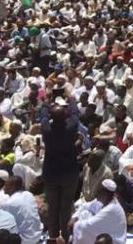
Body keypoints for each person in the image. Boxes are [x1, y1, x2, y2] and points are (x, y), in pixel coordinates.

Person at [41, 97, 81, 242]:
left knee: (53, 209)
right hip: (69, 175)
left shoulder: (46, 129)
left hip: (51, 175)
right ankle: (64, 238)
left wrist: (47, 100)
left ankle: (52, 238)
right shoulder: (71, 127)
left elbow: (44, 114)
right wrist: (71, 99)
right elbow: (75, 114)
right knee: (65, 208)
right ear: (65, 116)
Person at [70, 179, 128, 244]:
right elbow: (84, 206)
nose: (96, 193)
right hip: (103, 231)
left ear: (104, 194)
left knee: (100, 239)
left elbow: (88, 226)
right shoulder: (102, 201)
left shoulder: (111, 209)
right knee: (84, 213)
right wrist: (75, 217)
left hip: (114, 240)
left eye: (98, 192)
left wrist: (74, 224)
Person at [1, 176, 42, 244]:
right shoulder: (29, 194)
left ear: (12, 187)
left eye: (6, 185)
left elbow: (5, 226)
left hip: (24, 240)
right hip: (37, 236)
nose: (3, 187)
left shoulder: (10, 203)